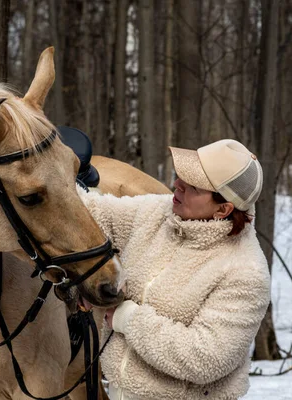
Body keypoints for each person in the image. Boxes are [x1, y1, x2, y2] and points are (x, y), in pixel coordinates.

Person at [80, 139, 270, 400]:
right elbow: (94, 213)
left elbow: (206, 358)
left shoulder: (245, 272)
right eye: (182, 176)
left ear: (223, 209)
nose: (178, 184)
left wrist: (128, 318)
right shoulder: (159, 213)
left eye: (192, 186)